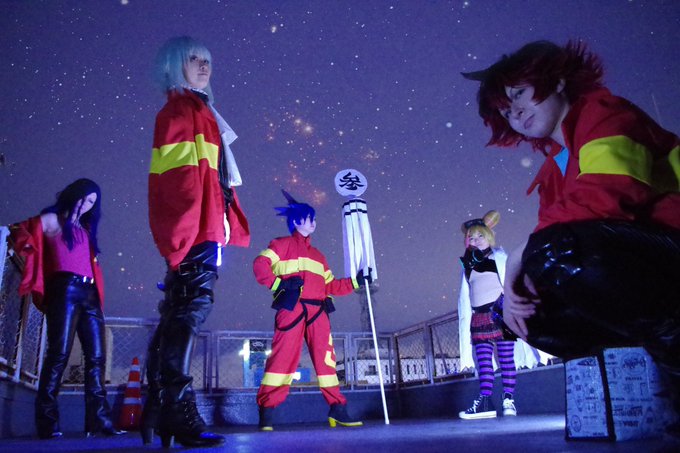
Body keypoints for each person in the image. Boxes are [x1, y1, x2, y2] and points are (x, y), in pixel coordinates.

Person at [462, 41, 680, 404]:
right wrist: (519, 291)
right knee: (518, 312)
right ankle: (637, 375)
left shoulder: (604, 114)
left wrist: (518, 258)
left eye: (520, 93)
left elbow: (604, 197)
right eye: (506, 110)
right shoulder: (553, 170)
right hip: (640, 265)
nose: (516, 112)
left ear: (558, 80)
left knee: (552, 249)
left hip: (670, 246)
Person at [142, 35, 250, 448]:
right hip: (197, 228)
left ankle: (162, 407)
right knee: (188, 310)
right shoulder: (181, 110)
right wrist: (187, 234)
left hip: (203, 225)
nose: (204, 66)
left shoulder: (196, 109)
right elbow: (178, 182)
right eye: (194, 59)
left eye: (207, 60)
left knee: (179, 311)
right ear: (174, 64)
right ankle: (175, 409)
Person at [9, 179, 125, 439]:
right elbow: (20, 231)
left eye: (92, 202)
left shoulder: (85, 230)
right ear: (73, 195)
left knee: (96, 358)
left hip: (89, 294)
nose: (86, 204)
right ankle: (48, 423)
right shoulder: (52, 220)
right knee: (58, 354)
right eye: (84, 198)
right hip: (64, 289)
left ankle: (99, 422)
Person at [253, 190, 367, 431]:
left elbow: (330, 286)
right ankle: (267, 411)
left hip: (318, 313)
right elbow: (260, 265)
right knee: (282, 359)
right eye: (309, 218)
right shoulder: (280, 245)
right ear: (296, 221)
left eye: (314, 218)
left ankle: (337, 408)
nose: (313, 222)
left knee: (327, 362)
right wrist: (278, 285)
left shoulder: (319, 256)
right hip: (291, 309)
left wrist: (356, 282)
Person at [457, 210, 522, 419]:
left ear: (489, 236)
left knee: (506, 359)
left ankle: (508, 399)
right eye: (472, 237)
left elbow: (512, 283)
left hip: (500, 311)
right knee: (483, 363)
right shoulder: (467, 264)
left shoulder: (499, 257)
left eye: (480, 236)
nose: (476, 240)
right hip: (478, 317)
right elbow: (466, 295)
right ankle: (485, 402)